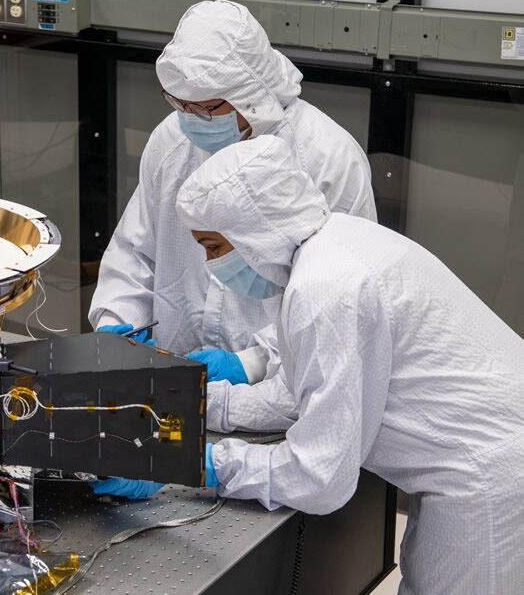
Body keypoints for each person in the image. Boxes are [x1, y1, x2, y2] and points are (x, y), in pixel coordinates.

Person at [171, 134, 524, 594]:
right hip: (482, 458)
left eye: (214, 247)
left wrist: (202, 463)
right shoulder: (336, 242)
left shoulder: (325, 287)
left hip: (487, 478)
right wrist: (197, 403)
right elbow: (300, 395)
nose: (210, 264)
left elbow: (319, 478)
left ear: (254, 232)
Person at [90, 0, 376, 436]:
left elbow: (343, 306)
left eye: (206, 108)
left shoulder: (328, 159)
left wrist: (253, 361)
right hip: (173, 392)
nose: (191, 119)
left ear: (251, 95)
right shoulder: (171, 141)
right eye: (180, 103)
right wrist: (117, 323)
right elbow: (136, 249)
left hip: (282, 400)